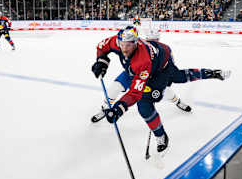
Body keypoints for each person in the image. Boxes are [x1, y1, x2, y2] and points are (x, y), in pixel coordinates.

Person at [91, 26, 230, 154]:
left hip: (159, 70)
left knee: (145, 105)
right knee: (115, 87)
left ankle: (161, 135)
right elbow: (101, 47)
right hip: (134, 69)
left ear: (135, 43)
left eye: (128, 45)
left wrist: (118, 109)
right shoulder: (117, 41)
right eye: (122, 44)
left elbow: (134, 93)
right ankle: (104, 108)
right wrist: (101, 61)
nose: (124, 49)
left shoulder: (143, 60)